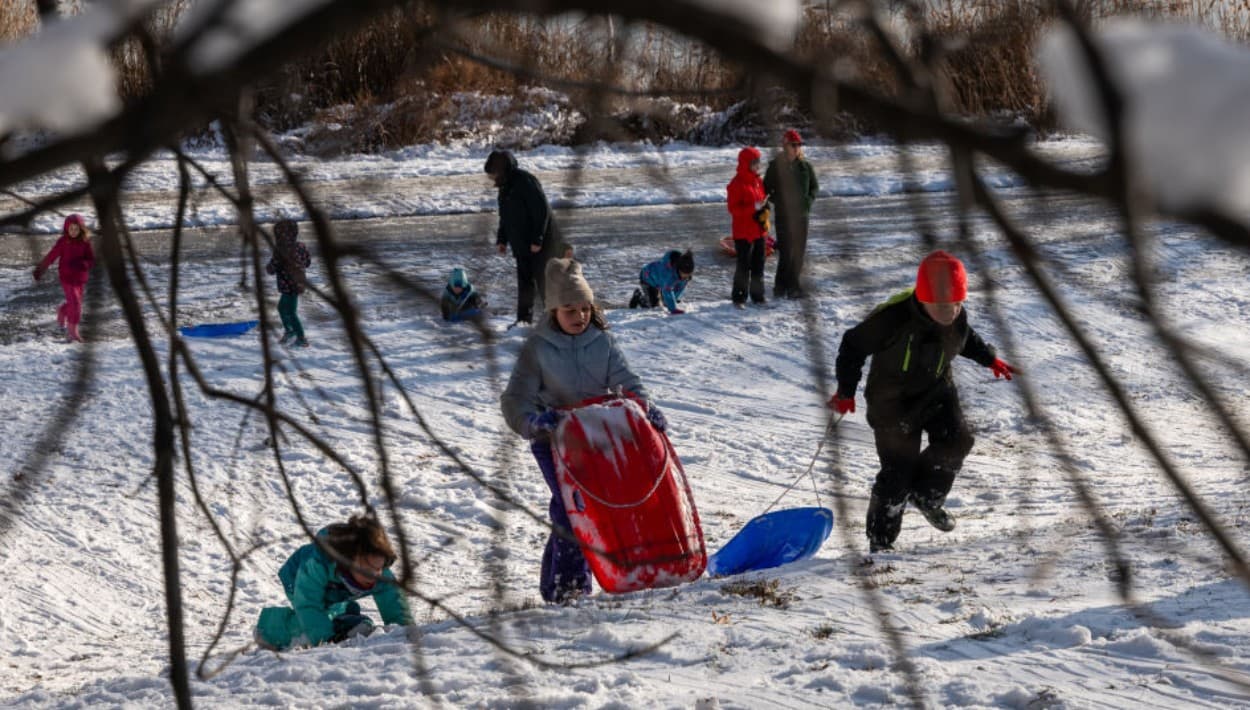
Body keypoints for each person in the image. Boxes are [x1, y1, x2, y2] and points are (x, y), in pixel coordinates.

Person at [827, 250, 1015, 553]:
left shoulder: (956, 315)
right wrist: (845, 391)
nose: (950, 311)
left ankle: (927, 496)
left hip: (937, 390)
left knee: (958, 441)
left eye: (957, 303)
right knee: (898, 472)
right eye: (942, 305)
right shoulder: (892, 319)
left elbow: (966, 338)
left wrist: (990, 359)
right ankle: (881, 540)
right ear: (923, 297)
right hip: (892, 403)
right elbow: (852, 346)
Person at [501, 257, 666, 603]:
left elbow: (627, 382)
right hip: (553, 440)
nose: (579, 317)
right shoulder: (538, 348)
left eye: (584, 309)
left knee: (579, 507)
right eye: (569, 310)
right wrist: (533, 423)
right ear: (553, 311)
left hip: (595, 437)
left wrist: (646, 409)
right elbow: (516, 398)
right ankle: (571, 586)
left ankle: (554, 585)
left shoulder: (602, 342)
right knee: (570, 505)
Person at [253, 513, 412, 651]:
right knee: (310, 622)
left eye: (378, 568)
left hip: (337, 591)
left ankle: (344, 619)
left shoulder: (378, 570)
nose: (374, 575)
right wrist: (326, 642)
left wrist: (403, 630)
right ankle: (269, 629)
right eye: (367, 569)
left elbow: (393, 600)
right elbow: (308, 605)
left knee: (334, 612)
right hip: (298, 581)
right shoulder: (317, 565)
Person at [485, 149, 559, 326]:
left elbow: (541, 210)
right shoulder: (504, 188)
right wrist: (502, 240)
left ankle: (556, 320)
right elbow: (505, 217)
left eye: (493, 173)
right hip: (521, 245)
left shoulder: (525, 181)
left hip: (539, 244)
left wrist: (537, 239)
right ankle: (523, 321)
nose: (491, 178)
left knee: (544, 283)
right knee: (525, 284)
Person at [763, 129, 819, 299]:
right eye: (793, 145)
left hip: (802, 216)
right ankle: (780, 286)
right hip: (783, 215)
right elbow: (765, 189)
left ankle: (794, 287)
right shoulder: (775, 166)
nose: (797, 148)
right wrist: (778, 200)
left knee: (799, 252)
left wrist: (807, 201)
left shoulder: (806, 167)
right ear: (785, 146)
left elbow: (814, 187)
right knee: (786, 252)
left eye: (799, 145)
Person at [33, 214, 95, 343]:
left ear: (81, 229)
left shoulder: (85, 242)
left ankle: (62, 310)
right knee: (76, 305)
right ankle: (72, 332)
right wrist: (41, 269)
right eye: (71, 229)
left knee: (74, 303)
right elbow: (51, 256)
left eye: (76, 229)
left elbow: (91, 260)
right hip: (66, 278)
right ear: (67, 229)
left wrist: (83, 264)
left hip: (80, 278)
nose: (73, 231)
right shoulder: (63, 242)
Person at [726, 147, 770, 307]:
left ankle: (758, 296)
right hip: (743, 233)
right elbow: (733, 209)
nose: (758, 165)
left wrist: (765, 208)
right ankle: (739, 298)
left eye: (758, 162)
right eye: (754, 162)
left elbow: (761, 201)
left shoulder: (758, 181)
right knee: (743, 267)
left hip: (759, 231)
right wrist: (754, 207)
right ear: (746, 164)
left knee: (759, 265)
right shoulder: (736, 184)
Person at [265, 219, 312, 347]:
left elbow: (273, 268)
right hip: (298, 283)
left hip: (288, 285)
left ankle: (301, 338)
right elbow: (307, 263)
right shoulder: (301, 246)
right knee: (281, 308)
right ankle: (290, 331)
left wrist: (269, 267)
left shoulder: (280, 250)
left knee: (291, 312)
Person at [629, 249, 694, 315]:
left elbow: (679, 288)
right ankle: (638, 296)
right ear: (678, 269)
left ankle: (662, 298)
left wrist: (673, 299)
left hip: (660, 281)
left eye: (687, 276)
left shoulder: (685, 276)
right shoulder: (667, 274)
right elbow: (667, 291)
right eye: (683, 275)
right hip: (647, 277)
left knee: (665, 301)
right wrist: (673, 309)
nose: (685, 278)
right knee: (653, 305)